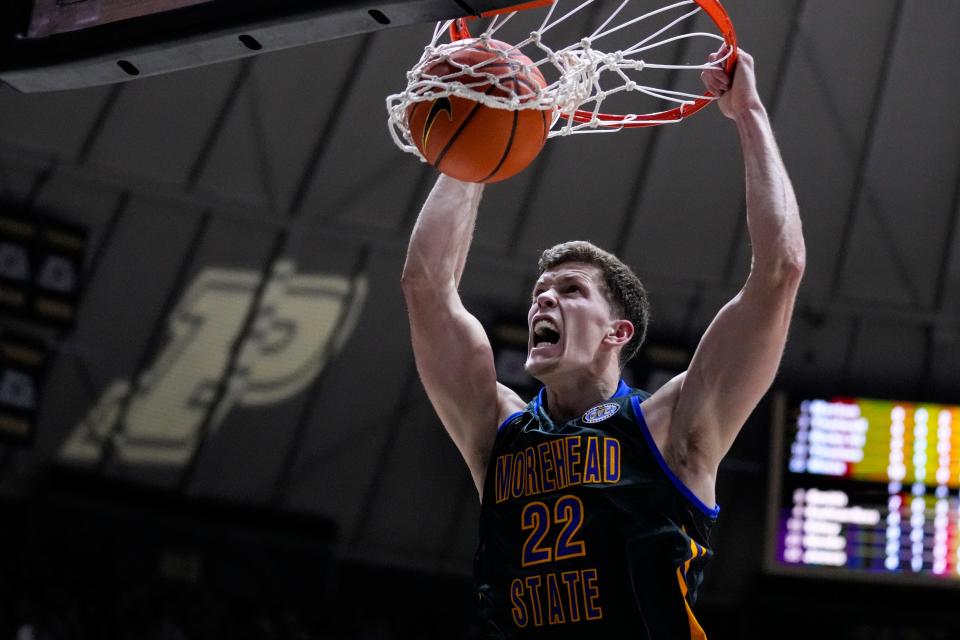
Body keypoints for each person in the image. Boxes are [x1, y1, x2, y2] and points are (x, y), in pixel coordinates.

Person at [400, 45, 804, 639]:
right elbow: (426, 287)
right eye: (540, 290)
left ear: (618, 333)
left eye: (570, 290)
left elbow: (780, 270)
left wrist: (749, 113)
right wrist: (476, 148)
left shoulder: (672, 428)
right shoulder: (496, 430)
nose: (544, 299)